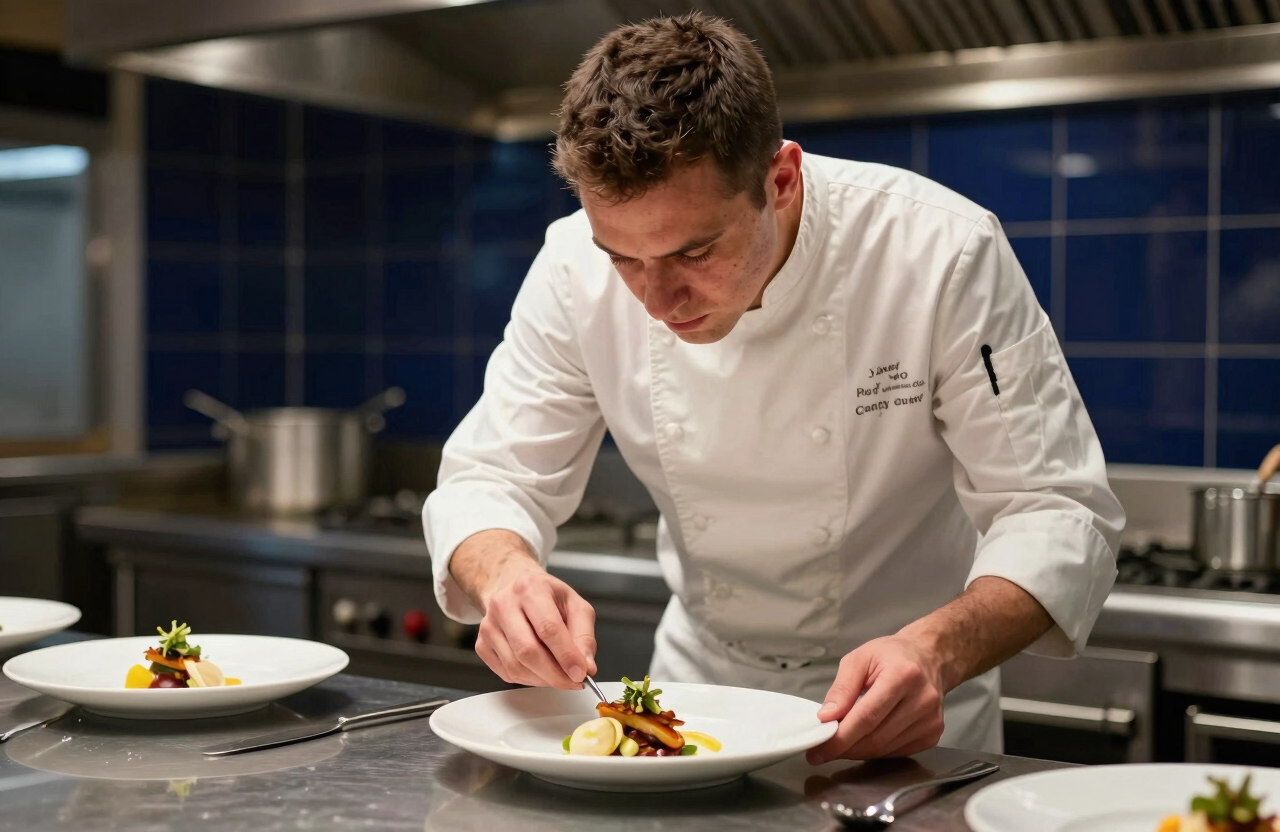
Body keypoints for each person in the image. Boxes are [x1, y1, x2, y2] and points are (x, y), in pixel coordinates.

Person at [423, 11, 1124, 762]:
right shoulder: (570, 268)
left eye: (694, 251)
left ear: (781, 179)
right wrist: (506, 576)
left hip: (909, 710)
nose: (656, 301)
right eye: (623, 258)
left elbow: (1054, 509)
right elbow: (494, 476)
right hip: (698, 699)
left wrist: (935, 652)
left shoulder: (938, 251)